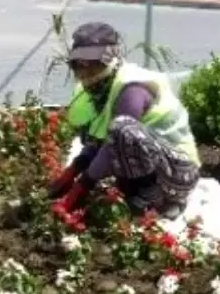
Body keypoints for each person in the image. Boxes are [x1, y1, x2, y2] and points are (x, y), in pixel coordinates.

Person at [48, 22, 201, 219]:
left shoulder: (131, 89)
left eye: (90, 63)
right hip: (155, 162)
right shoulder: (101, 90)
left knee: (123, 130)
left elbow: (113, 141)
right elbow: (99, 138)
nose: (83, 70)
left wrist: (82, 185)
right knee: (97, 135)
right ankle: (137, 190)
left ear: (108, 58)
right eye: (78, 64)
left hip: (178, 173)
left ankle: (158, 198)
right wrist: (74, 169)